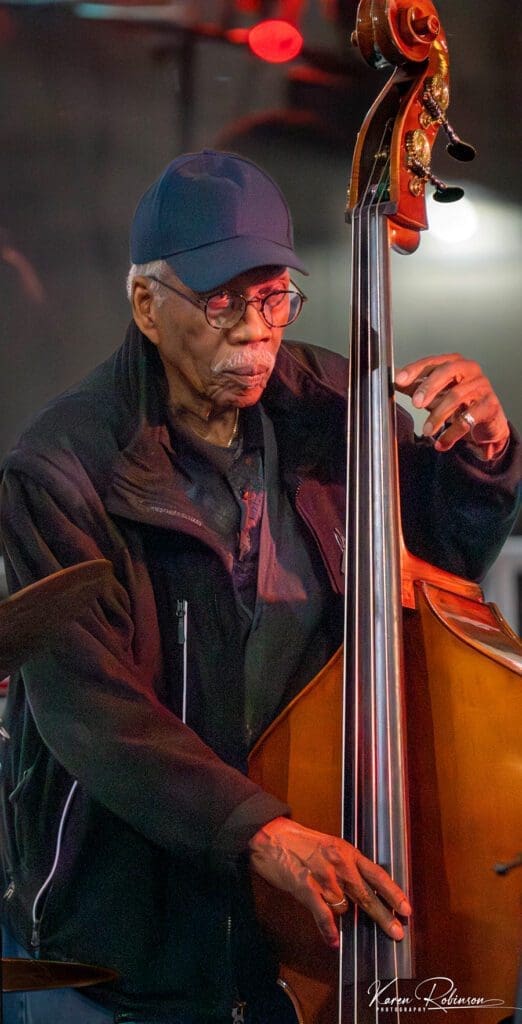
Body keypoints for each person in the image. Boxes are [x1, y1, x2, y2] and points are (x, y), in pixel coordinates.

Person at [0, 149, 519, 1024]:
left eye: (274, 297)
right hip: (134, 917)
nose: (255, 330)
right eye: (221, 302)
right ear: (146, 308)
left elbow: (438, 575)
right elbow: (93, 711)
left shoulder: (333, 406)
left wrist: (483, 458)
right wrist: (260, 831)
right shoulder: (59, 469)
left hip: (299, 915)